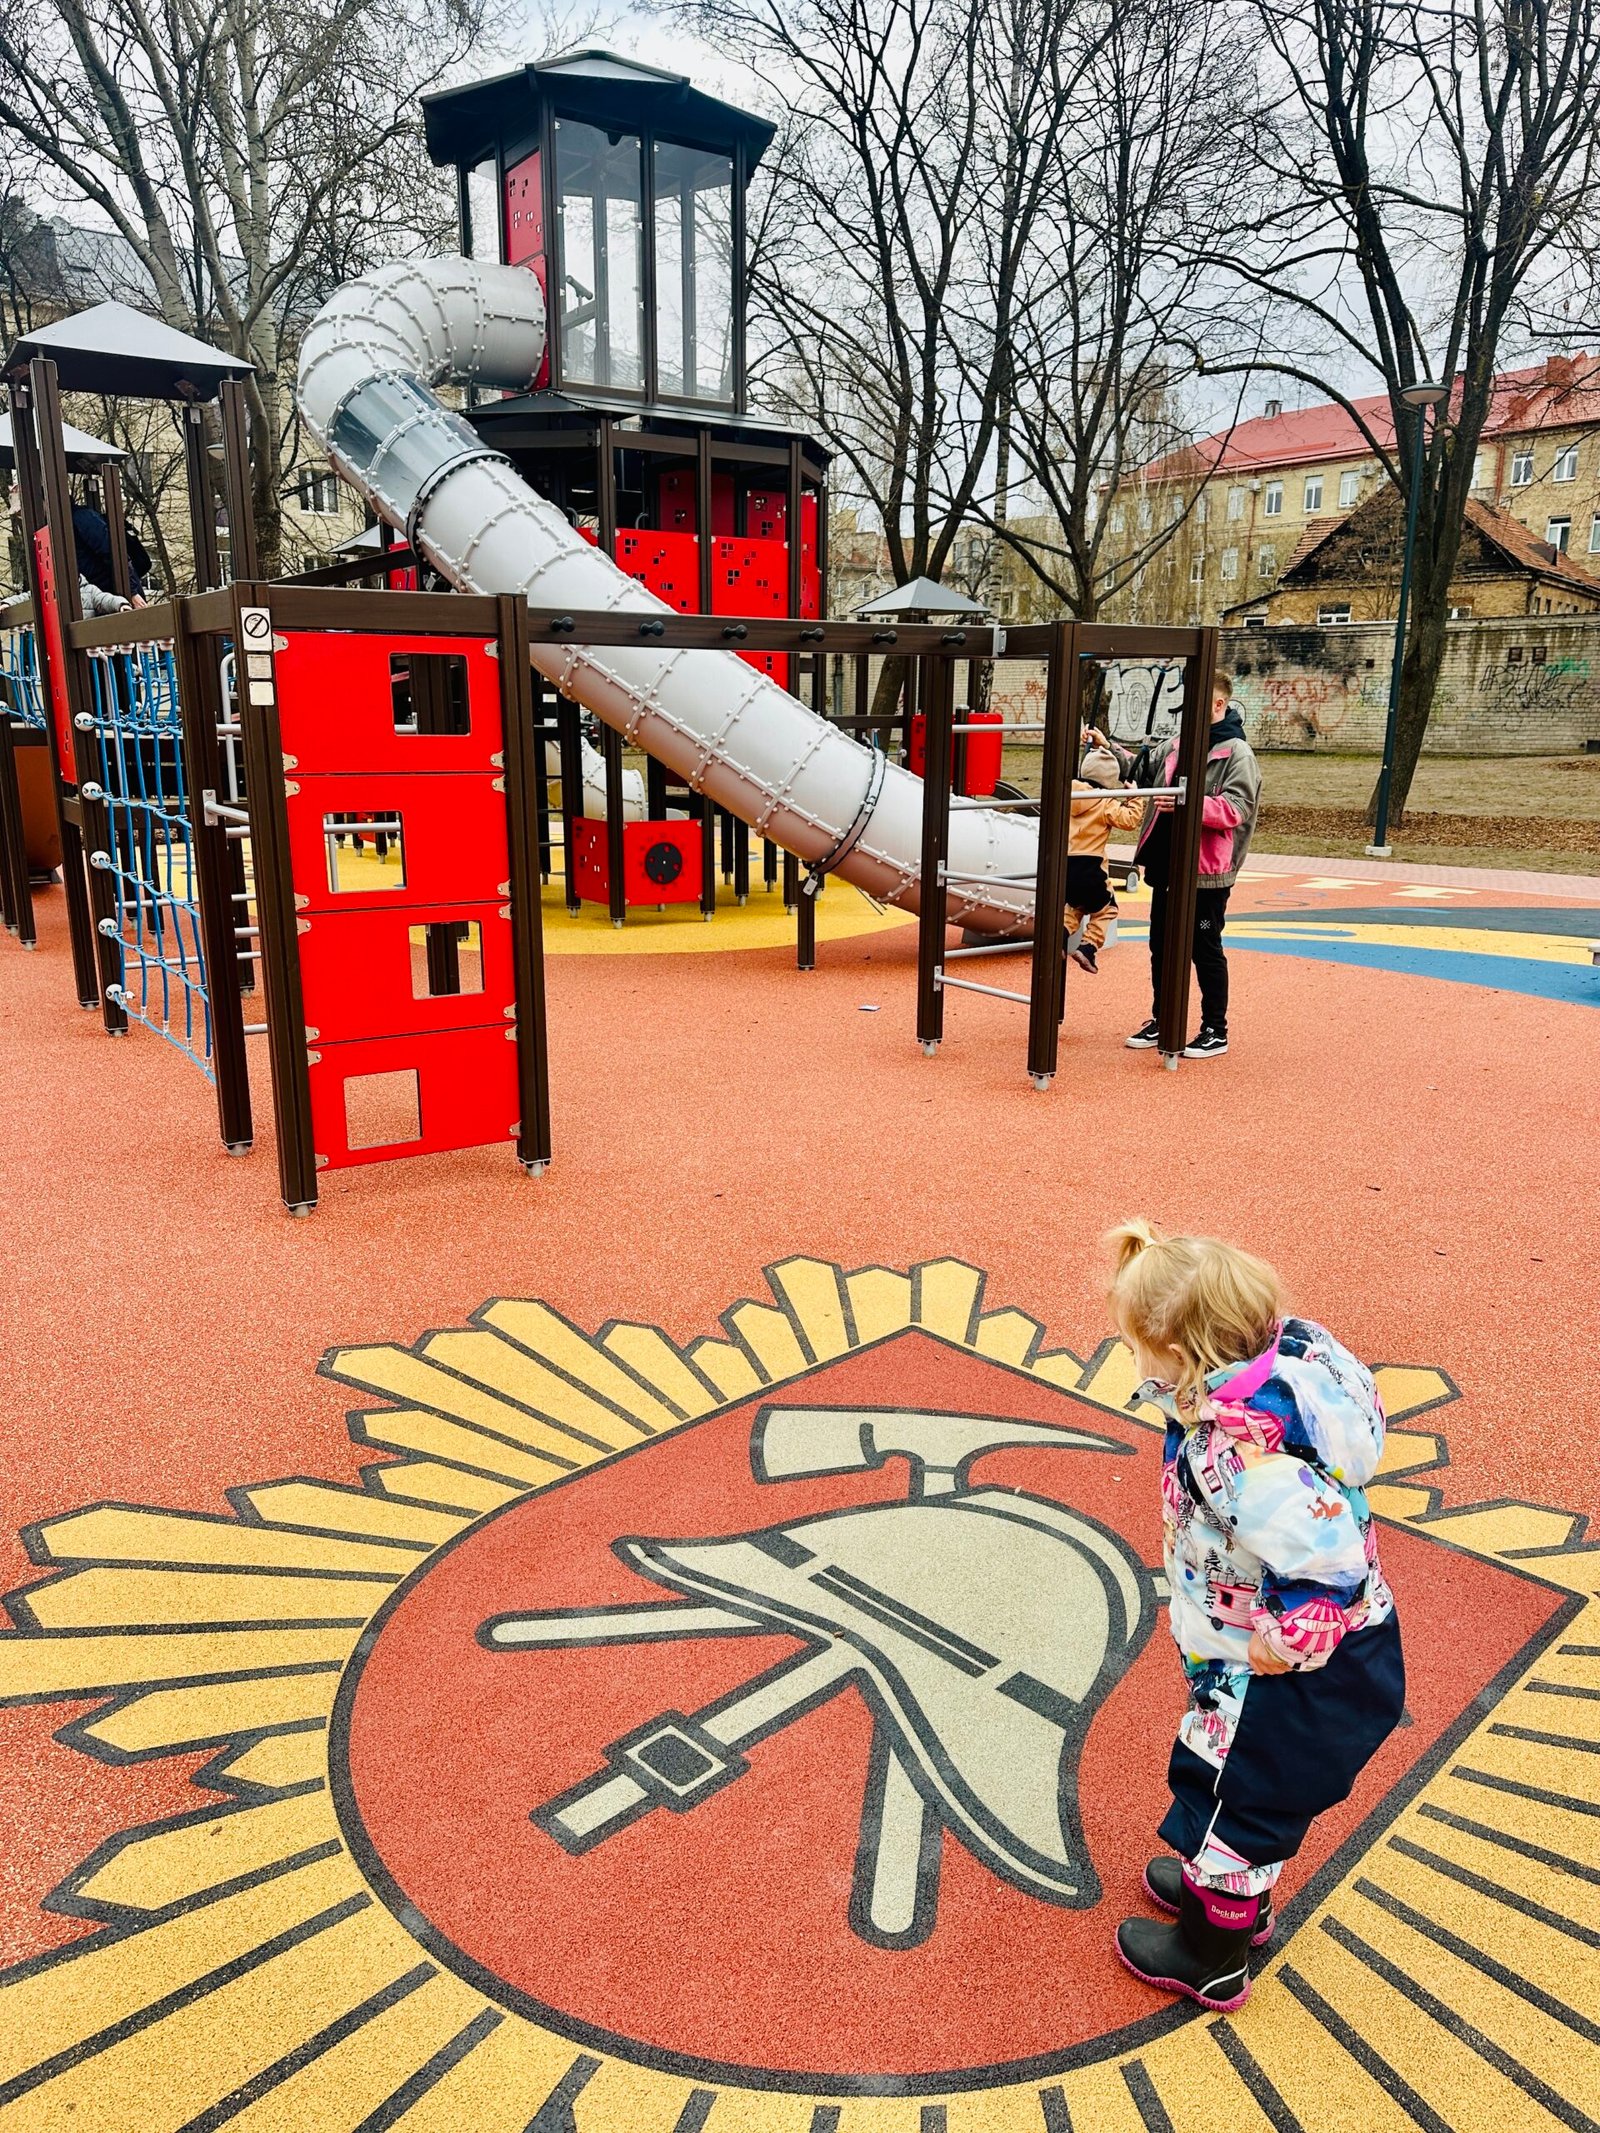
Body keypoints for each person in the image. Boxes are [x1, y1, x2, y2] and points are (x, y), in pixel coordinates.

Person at [1104, 1220, 1404, 2011]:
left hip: (1280, 1673)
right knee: (1240, 1796)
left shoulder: (1245, 1464)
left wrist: (1286, 1638)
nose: (1133, 1360)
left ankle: (1212, 1952)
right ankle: (1236, 1900)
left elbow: (1331, 1560)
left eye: (1140, 1346)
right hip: (1270, 1657)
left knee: (1233, 1799)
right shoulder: (1287, 1374)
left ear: (1187, 1355)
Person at [1125, 673, 1260, 1059]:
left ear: (1218, 705)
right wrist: (1108, 749)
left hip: (1206, 873)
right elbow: (1142, 767)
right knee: (1161, 946)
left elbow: (1236, 808)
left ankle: (1215, 1029)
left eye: (1196, 708)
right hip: (1167, 864)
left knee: (1204, 947)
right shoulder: (1178, 744)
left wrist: (1186, 802)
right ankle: (1163, 1016)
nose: (1187, 717)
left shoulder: (1237, 754)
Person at [1065, 731, 1145, 972]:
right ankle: (1088, 947)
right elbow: (1130, 820)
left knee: (1074, 907)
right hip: (1090, 867)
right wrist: (1134, 797)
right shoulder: (1105, 802)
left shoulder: (1067, 794)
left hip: (1065, 866)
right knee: (1107, 908)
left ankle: (1059, 940)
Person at [72, 488, 152, 601]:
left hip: (117, 594)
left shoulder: (81, 518)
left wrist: (131, 591)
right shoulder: (74, 522)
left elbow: (112, 551)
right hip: (103, 596)